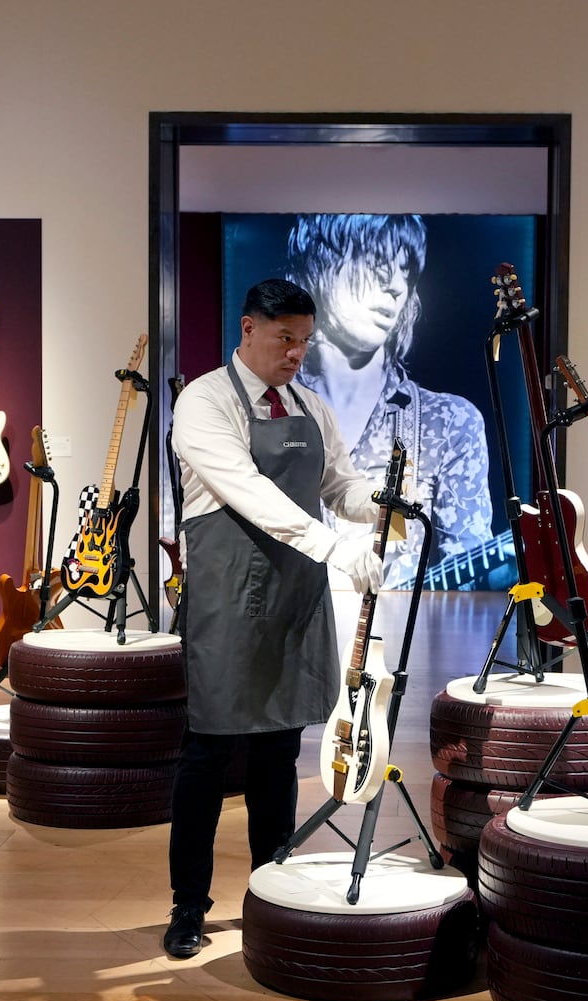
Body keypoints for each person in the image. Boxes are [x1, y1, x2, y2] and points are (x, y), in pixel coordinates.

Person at [162, 278, 384, 959]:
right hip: (227, 604)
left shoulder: (311, 408)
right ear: (249, 328)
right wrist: (331, 544)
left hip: (292, 600)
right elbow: (248, 490)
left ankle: (271, 888)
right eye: (285, 338)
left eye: (305, 341)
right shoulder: (203, 403)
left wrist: (384, 503)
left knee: (278, 753)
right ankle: (189, 905)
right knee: (205, 755)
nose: (296, 353)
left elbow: (338, 486)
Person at [285, 213, 493, 589]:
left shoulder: (448, 422)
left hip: (406, 643)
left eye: (406, 271)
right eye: (378, 264)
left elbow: (468, 576)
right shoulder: (267, 411)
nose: (396, 285)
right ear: (322, 264)